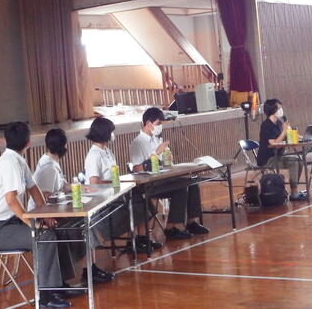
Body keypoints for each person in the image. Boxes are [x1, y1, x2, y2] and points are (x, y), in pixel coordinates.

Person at [0, 122, 77, 308]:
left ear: (6, 141)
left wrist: (46, 214)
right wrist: (33, 224)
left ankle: (58, 285)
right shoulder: (9, 163)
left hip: (9, 223)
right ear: (28, 143)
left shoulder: (18, 160)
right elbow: (11, 200)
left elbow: (34, 189)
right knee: (44, 236)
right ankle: (45, 297)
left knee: (56, 229)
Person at [31, 128, 115, 284]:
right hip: (44, 216)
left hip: (52, 212)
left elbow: (64, 186)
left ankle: (90, 268)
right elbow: (44, 196)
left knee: (84, 222)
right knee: (78, 226)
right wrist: (53, 210)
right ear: (64, 146)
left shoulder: (52, 162)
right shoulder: (48, 168)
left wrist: (83, 188)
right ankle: (87, 270)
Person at [129, 107, 209, 239]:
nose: (160, 127)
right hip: (149, 184)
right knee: (181, 187)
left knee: (192, 182)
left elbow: (162, 164)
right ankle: (172, 226)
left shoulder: (155, 139)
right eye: (158, 123)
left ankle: (192, 222)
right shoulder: (137, 143)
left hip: (162, 178)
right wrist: (156, 153)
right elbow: (137, 169)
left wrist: (167, 159)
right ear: (148, 123)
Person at [83, 117, 160, 253]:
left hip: (115, 192)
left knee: (142, 196)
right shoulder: (94, 155)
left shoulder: (107, 151)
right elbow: (94, 183)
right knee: (136, 203)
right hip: (104, 200)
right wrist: (113, 183)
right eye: (111, 132)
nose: (113, 135)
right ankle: (133, 241)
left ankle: (141, 237)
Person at [257, 99, 307, 202]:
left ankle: (294, 188)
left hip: (278, 156)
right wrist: (284, 132)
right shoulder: (266, 125)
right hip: (268, 159)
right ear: (273, 110)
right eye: (279, 108)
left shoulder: (279, 123)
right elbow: (273, 143)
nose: (281, 110)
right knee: (293, 162)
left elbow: (287, 137)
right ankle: (294, 194)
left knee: (299, 161)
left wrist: (301, 136)